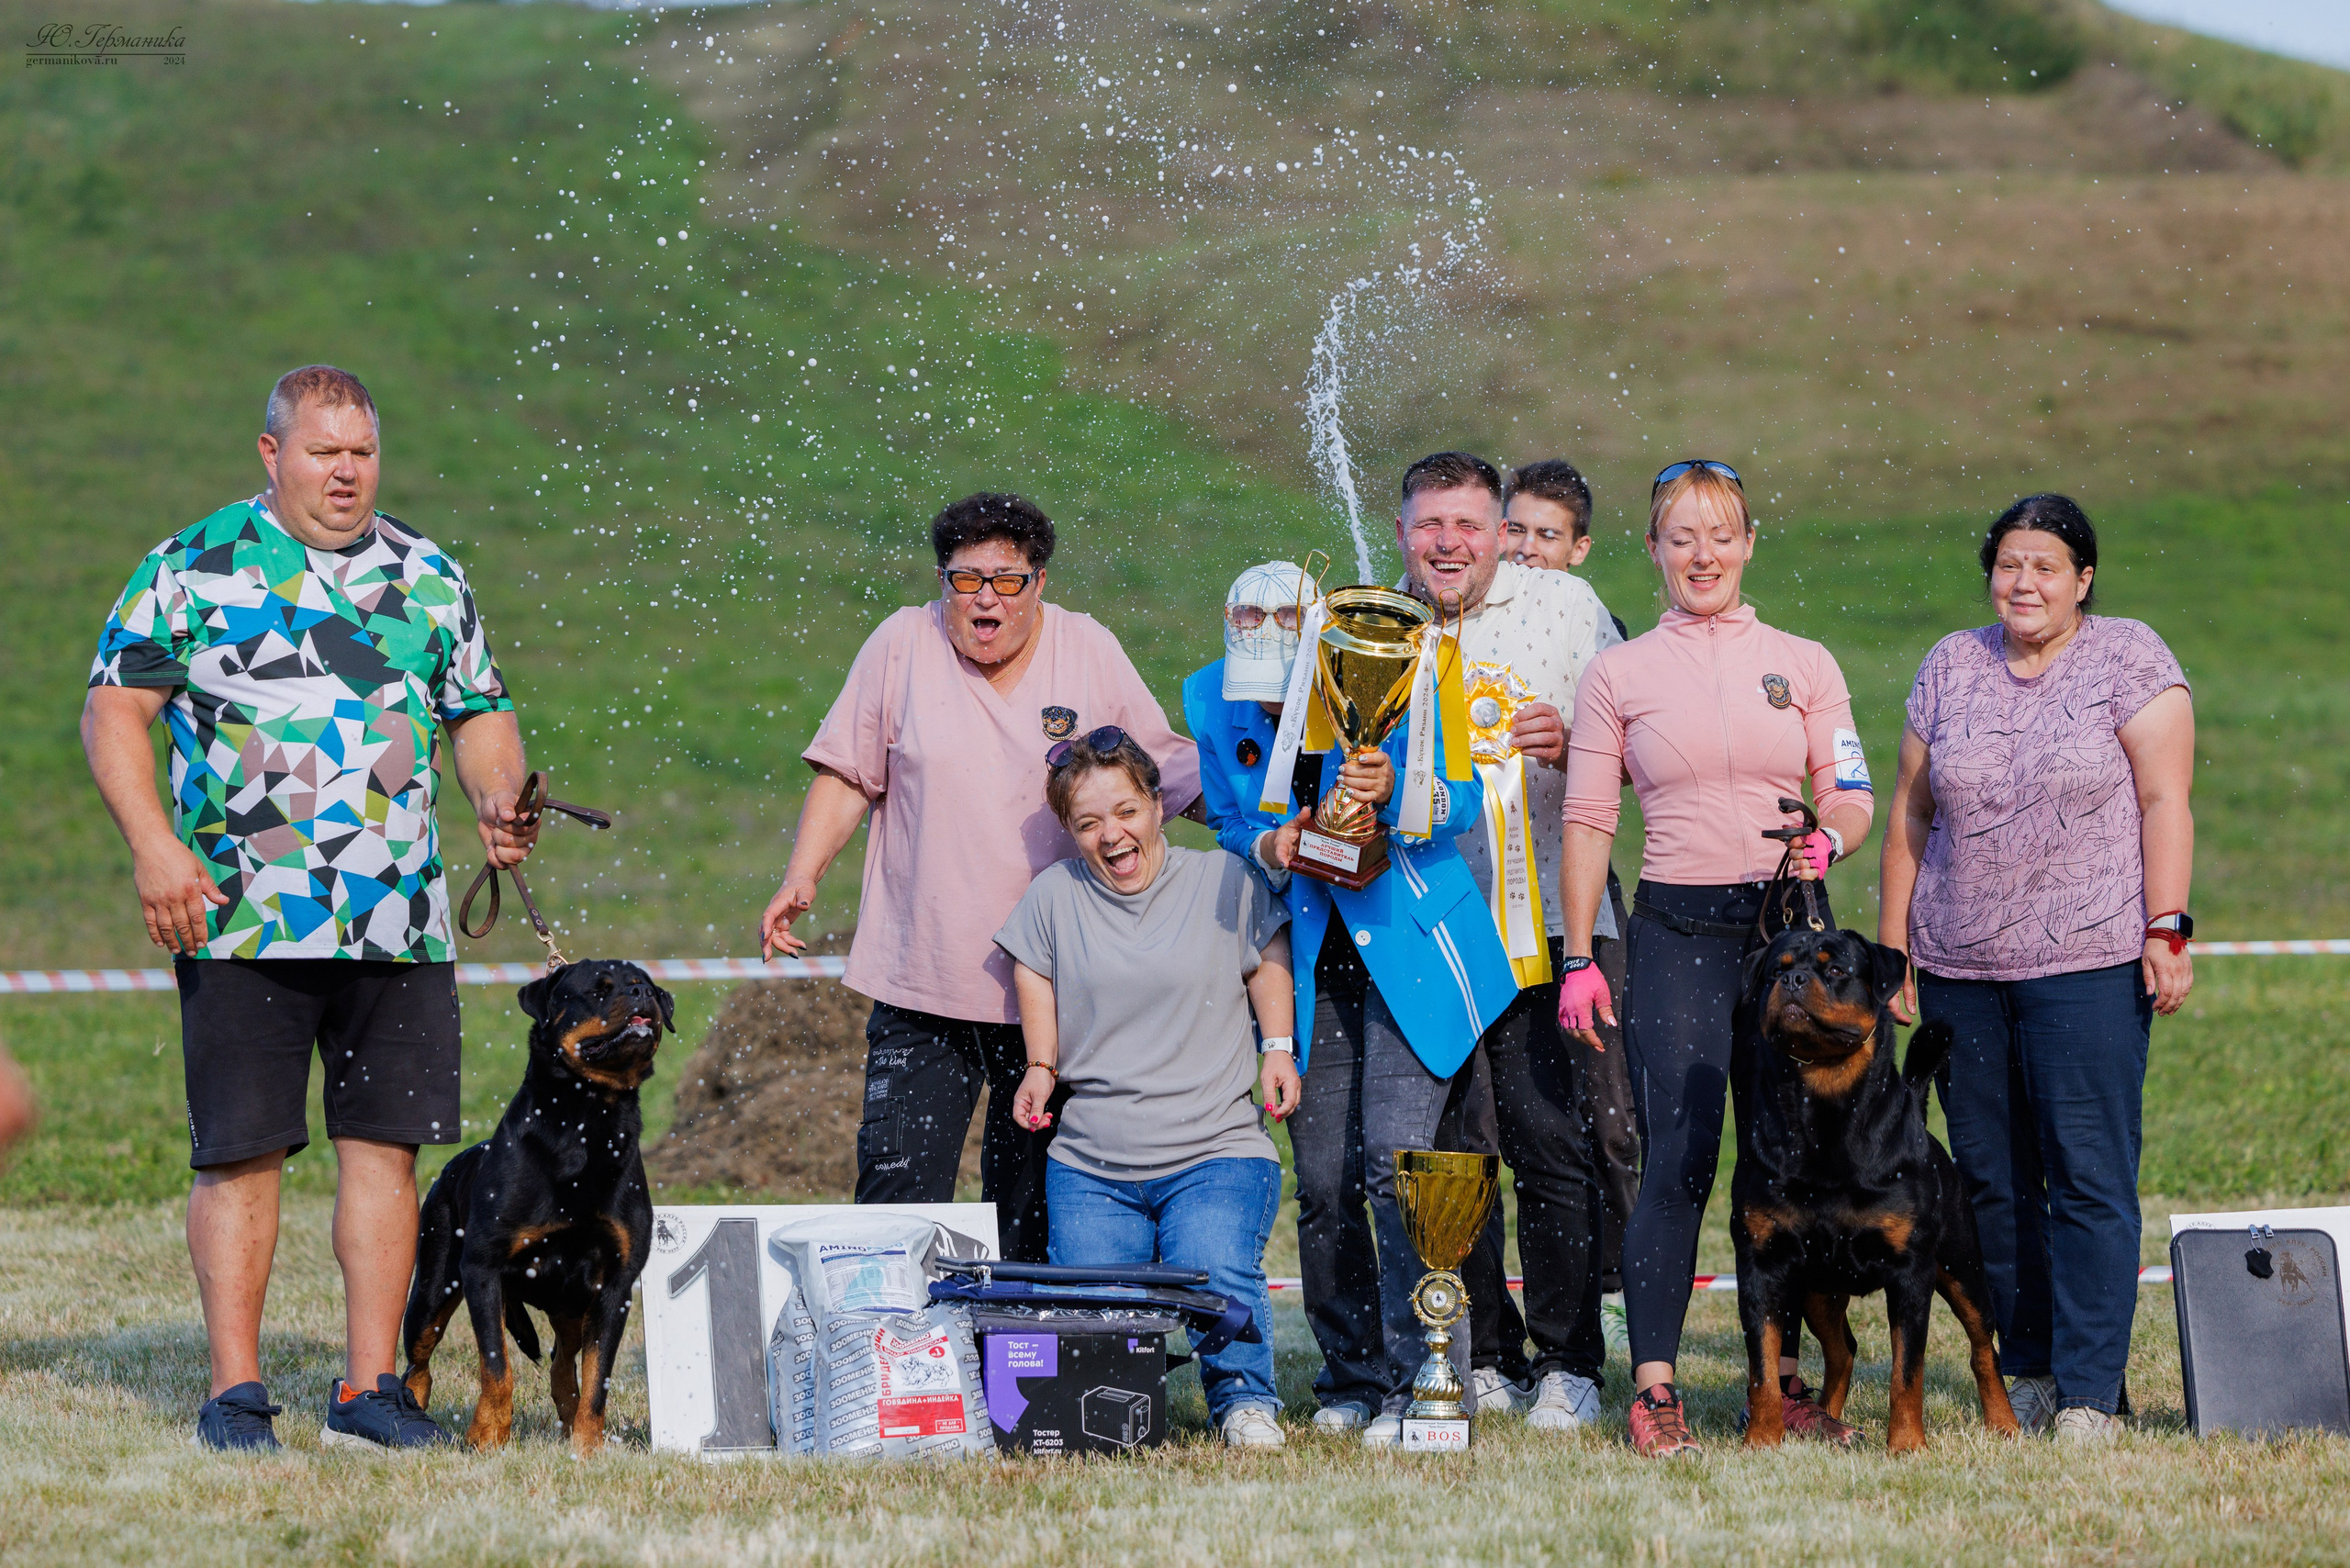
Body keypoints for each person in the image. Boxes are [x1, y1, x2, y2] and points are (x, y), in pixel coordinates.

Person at [81, 365, 536, 1452]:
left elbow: (479, 709)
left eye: (363, 452)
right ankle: (235, 1394)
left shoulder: (428, 573)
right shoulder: (191, 566)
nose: (347, 472)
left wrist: (496, 797)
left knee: (385, 1150)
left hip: (398, 918)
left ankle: (368, 1389)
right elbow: (113, 713)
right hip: (239, 913)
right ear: (271, 453)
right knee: (240, 1154)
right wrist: (154, 849)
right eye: (325, 452)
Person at [758, 492, 1200, 1263]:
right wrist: (803, 876)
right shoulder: (900, 643)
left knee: (1033, 1205)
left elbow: (1162, 768)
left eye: (1009, 579)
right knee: (898, 1190)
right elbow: (847, 773)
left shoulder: (1087, 648)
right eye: (967, 580)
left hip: (1061, 989)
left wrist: (1270, 828)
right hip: (922, 981)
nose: (987, 597)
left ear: (1039, 584)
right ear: (942, 582)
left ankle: (1024, 1372)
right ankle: (889, 1366)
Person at [1556, 459, 1875, 1458]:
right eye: (1680, 536)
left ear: (1747, 545)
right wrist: (1579, 957)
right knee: (1681, 1163)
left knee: (1790, 1166)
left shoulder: (1805, 660)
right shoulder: (1617, 675)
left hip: (1790, 934)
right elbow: (1586, 820)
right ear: (1651, 550)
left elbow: (1852, 790)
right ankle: (1654, 1392)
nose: (1702, 554)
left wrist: (1832, 836)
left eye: (1720, 534)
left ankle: (1779, 1383)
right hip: (1677, 935)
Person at [1185, 540, 1519, 1449]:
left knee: (1396, 1165)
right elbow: (1224, 819)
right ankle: (1351, 1374)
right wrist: (1267, 845)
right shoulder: (1203, 695)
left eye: (1276, 687)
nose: (1257, 703)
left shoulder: (1401, 665)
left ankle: (1429, 1378)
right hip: (1308, 955)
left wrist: (1396, 792)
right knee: (1325, 1178)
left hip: (1409, 940)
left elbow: (1460, 800)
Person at [1879, 494, 2193, 1445]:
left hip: (2091, 961)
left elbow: (2163, 798)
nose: (2024, 582)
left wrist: (2166, 927)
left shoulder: (2128, 657)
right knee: (1987, 1180)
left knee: (2086, 1174)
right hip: (1960, 968)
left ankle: (2094, 1390)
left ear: (2083, 578)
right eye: (2009, 563)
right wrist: (1893, 946)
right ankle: (2028, 1368)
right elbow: (1909, 813)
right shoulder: (1949, 663)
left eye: (2046, 565)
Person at [1397, 453, 1623, 1432]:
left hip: (1544, 930)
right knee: (1453, 1154)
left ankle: (1570, 1360)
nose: (1449, 543)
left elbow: (1640, 743)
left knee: (1552, 1146)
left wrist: (1575, 740)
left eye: (1469, 526)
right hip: (1422, 933)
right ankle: (1479, 1351)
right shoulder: (1371, 622)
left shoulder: (1568, 606)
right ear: (1402, 528)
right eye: (1430, 525)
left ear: (1501, 530)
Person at [997, 729, 1301, 1449]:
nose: (1112, 836)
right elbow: (1032, 971)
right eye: (1089, 823)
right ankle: (1122, 1414)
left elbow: (1267, 956)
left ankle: (1243, 1403)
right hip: (1091, 1168)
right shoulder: (1052, 897)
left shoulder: (1223, 880)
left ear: (1159, 806)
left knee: (1213, 1266)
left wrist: (1278, 1049)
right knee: (1099, 1315)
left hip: (1216, 1151)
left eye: (1126, 812)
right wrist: (1041, 1066)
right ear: (1070, 831)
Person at [1502, 459, 1641, 1350]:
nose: (1525, 550)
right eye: (1511, 530)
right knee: (1527, 1124)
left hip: (1583, 908)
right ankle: (1521, 1325)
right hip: (1480, 908)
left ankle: (1629, 1286)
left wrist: (1575, 748)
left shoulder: (1599, 633)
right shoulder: (1464, 630)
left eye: (1545, 535)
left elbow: (1640, 767)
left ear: (1580, 548)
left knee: (1611, 1112)